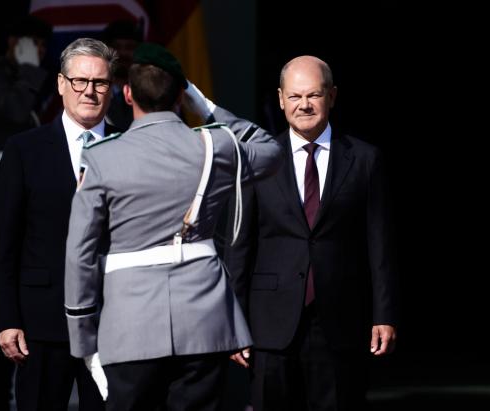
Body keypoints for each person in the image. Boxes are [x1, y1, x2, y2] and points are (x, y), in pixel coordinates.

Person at [63, 42, 282, 411]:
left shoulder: (102, 157)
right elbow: (269, 148)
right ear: (181, 95)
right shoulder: (217, 145)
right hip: (203, 322)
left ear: (127, 93)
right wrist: (205, 105)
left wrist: (84, 338)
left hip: (130, 327)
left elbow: (79, 253)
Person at [223, 56, 399, 410]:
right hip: (270, 325)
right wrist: (233, 323)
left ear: (332, 96)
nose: (304, 105)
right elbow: (239, 246)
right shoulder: (256, 160)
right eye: (294, 96)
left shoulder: (365, 160)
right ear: (279, 98)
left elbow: (380, 244)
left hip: (341, 321)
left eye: (314, 95)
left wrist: (384, 314)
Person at [0, 37, 120, 411]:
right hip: (40, 321)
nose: (90, 91)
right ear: (62, 84)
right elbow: (5, 245)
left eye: (100, 83)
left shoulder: (129, 147)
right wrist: (7, 319)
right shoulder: (24, 150)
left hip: (112, 320)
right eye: (80, 81)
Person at [0, 14, 53, 411]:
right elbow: (16, 112)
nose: (38, 52)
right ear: (15, 43)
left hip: (27, 201)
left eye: (41, 46)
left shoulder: (31, 82)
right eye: (32, 44)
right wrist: (31, 70)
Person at [101, 19, 143, 129]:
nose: (122, 53)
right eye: (116, 47)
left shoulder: (153, 92)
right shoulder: (92, 91)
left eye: (129, 47)